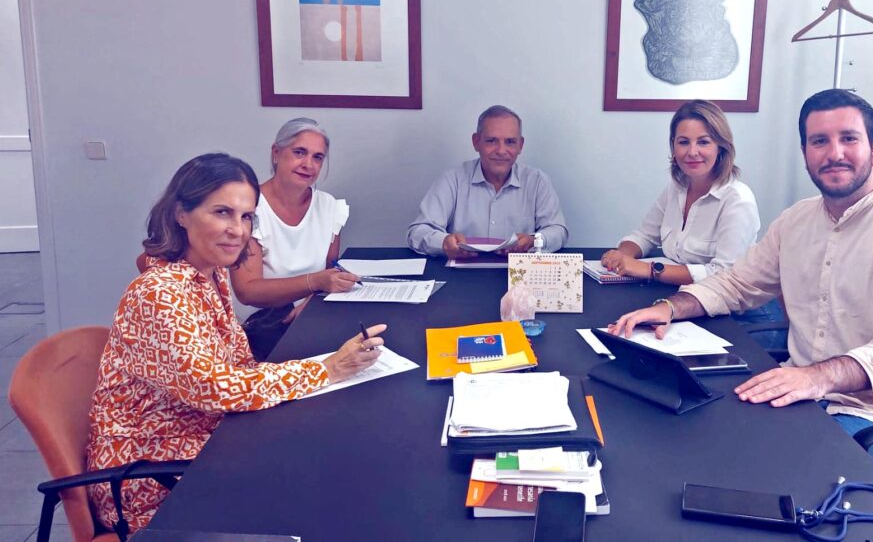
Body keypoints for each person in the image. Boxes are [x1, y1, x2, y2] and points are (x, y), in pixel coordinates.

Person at [610, 89, 873, 485]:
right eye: (820, 141)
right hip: (809, 397)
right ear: (805, 152)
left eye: (849, 138)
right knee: (698, 440)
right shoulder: (797, 221)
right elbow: (737, 282)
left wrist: (816, 377)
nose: (834, 153)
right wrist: (671, 307)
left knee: (781, 483)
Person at [86, 153, 386, 533]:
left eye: (246, 217)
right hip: (154, 479)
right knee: (327, 486)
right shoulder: (159, 293)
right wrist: (326, 369)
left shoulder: (209, 275)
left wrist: (316, 374)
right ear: (181, 214)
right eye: (222, 212)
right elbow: (214, 388)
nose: (238, 230)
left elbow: (238, 367)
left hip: (207, 441)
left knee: (330, 449)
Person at [230, 118, 356, 360]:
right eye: (299, 152)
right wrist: (316, 282)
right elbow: (248, 291)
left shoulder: (329, 206)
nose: (308, 164)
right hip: (263, 327)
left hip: (314, 314)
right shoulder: (249, 207)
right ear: (276, 153)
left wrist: (311, 302)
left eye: (318, 157)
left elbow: (331, 270)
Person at [600, 100, 759, 285]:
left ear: (721, 147)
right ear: (673, 147)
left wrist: (649, 270)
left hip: (724, 300)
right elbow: (644, 235)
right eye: (683, 142)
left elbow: (725, 274)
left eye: (703, 142)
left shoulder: (738, 200)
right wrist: (622, 256)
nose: (692, 152)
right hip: (674, 291)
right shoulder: (676, 188)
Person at [406, 105, 569, 259]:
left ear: (520, 145)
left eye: (510, 142)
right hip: (462, 272)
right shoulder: (452, 180)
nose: (501, 151)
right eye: (491, 141)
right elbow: (418, 231)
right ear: (476, 142)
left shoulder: (537, 181)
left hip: (518, 274)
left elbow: (558, 231)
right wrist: (443, 243)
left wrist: (534, 241)